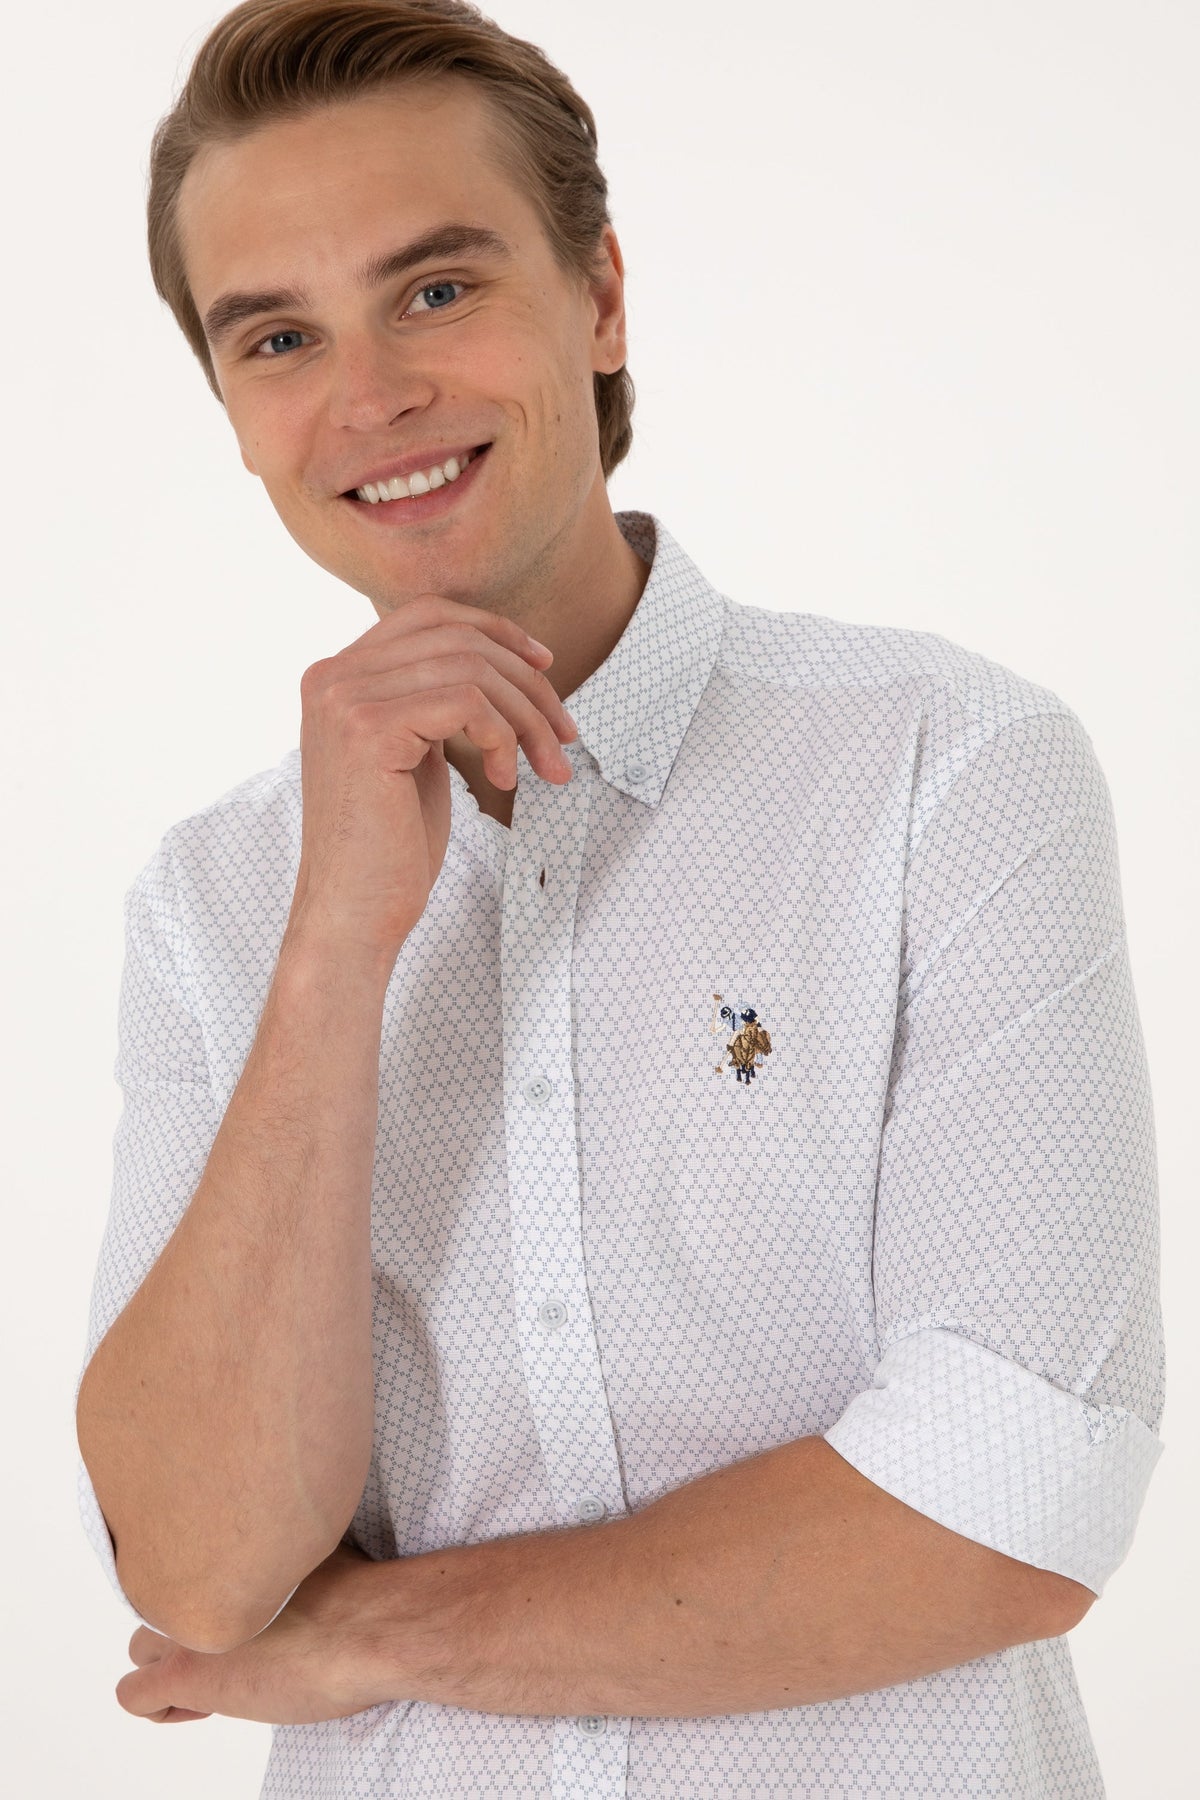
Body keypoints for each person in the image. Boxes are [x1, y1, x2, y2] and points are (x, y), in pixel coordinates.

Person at [73, 3, 1165, 1795]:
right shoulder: (214, 903)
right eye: (278, 337)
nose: (370, 397)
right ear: (232, 411)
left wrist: (370, 1636)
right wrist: (334, 944)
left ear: (599, 298)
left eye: (437, 289)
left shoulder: (948, 771)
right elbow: (199, 1569)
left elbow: (1014, 1502)